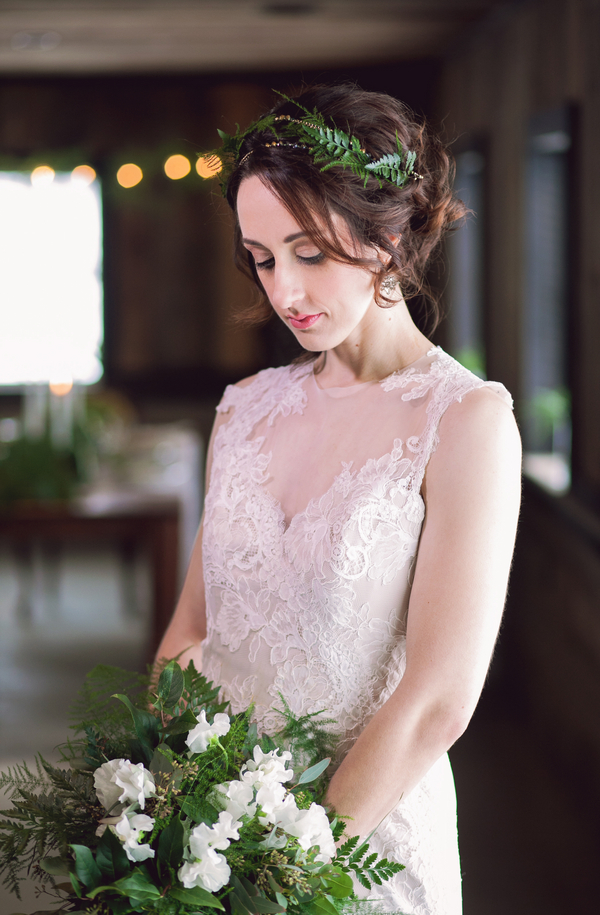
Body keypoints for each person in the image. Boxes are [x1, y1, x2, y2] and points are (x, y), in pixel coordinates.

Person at [156, 84, 522, 914]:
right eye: (261, 255)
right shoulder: (243, 409)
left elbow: (436, 700)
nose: (284, 288)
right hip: (217, 850)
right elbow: (190, 633)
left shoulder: (465, 420)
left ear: (388, 236)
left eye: (309, 250)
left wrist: (285, 877)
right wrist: (173, 808)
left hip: (361, 856)